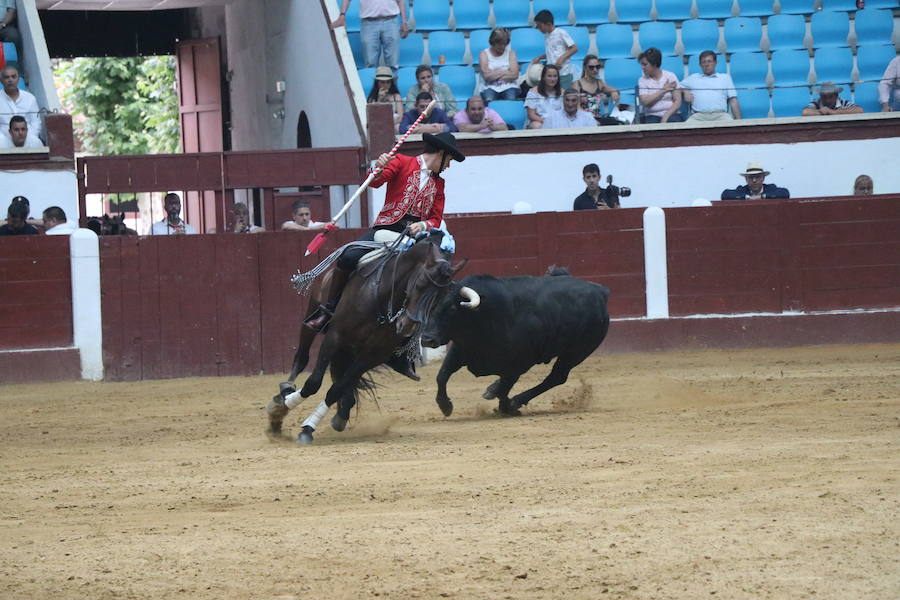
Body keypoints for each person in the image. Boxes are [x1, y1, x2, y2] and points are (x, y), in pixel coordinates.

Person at [304, 132, 465, 334]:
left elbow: (435, 218)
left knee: (431, 274)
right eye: (448, 160)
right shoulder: (402, 162)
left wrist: (423, 226)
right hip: (387, 230)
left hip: (414, 239)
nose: (448, 166)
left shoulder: (438, 184)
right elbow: (374, 182)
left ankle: (415, 327)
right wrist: (379, 165)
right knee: (348, 257)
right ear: (441, 154)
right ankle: (329, 311)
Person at [332, 0, 408, 72]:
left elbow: (400, 0)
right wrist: (342, 15)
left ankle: (392, 85)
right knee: (370, 64)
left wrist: (404, 22)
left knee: (393, 64)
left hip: (391, 21)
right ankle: (372, 84)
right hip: (369, 23)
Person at [680, 50, 741, 122]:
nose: (706, 64)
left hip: (720, 115)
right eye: (704, 62)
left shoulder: (725, 78)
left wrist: (739, 121)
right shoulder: (693, 78)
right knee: (684, 131)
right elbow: (675, 86)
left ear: (715, 63)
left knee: (732, 130)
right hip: (698, 116)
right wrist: (685, 91)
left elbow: (733, 100)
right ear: (700, 65)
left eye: (709, 61)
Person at [530, 9, 578, 90]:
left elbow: (574, 48)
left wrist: (561, 58)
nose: (539, 29)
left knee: (563, 94)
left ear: (548, 24)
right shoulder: (547, 36)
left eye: (540, 26)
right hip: (552, 73)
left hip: (563, 73)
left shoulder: (561, 32)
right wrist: (540, 57)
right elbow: (552, 52)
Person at [637, 47, 683, 124]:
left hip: (671, 114)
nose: (642, 68)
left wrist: (666, 116)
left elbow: (678, 101)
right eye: (641, 64)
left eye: (645, 64)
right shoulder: (642, 80)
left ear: (654, 64)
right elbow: (645, 102)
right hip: (652, 115)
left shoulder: (670, 76)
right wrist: (664, 90)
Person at [572, 54, 621, 126]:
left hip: (597, 119)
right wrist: (590, 119)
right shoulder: (577, 84)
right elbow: (576, 107)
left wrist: (614, 92)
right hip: (582, 119)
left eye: (597, 67)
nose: (595, 70)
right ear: (585, 68)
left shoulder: (600, 83)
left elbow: (615, 90)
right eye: (591, 67)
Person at [0, 65, 42, 145]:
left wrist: (27, 137)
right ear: (1, 80)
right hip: (4, 138)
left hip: (27, 136)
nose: (10, 80)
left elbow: (36, 123)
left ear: (18, 79)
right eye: (7, 77)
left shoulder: (30, 98)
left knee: (37, 143)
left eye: (13, 77)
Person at [478, 28, 520, 102]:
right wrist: (506, 71)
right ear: (493, 43)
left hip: (509, 86)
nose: (503, 46)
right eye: (500, 44)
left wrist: (494, 73)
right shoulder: (484, 54)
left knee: (511, 98)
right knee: (489, 99)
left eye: (505, 44)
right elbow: (487, 77)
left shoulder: (511, 53)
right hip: (489, 86)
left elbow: (515, 75)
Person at [721, 162, 790, 200]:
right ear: (746, 179)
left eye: (757, 177)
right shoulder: (742, 190)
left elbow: (785, 193)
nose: (754, 180)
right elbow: (725, 195)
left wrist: (761, 197)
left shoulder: (771, 189)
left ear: (763, 178)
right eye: (751, 177)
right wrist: (748, 198)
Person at [525, 64, 563, 129]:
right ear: (543, 77)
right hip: (539, 121)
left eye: (555, 76)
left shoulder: (562, 92)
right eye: (549, 76)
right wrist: (548, 122)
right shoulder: (533, 92)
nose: (552, 79)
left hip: (558, 122)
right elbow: (531, 115)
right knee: (537, 126)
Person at [367, 66, 404, 131]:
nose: (385, 85)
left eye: (388, 82)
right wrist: (380, 100)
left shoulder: (396, 96)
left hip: (393, 125)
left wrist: (388, 124)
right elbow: (372, 116)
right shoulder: (372, 97)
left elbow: (400, 117)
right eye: (382, 82)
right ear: (377, 83)